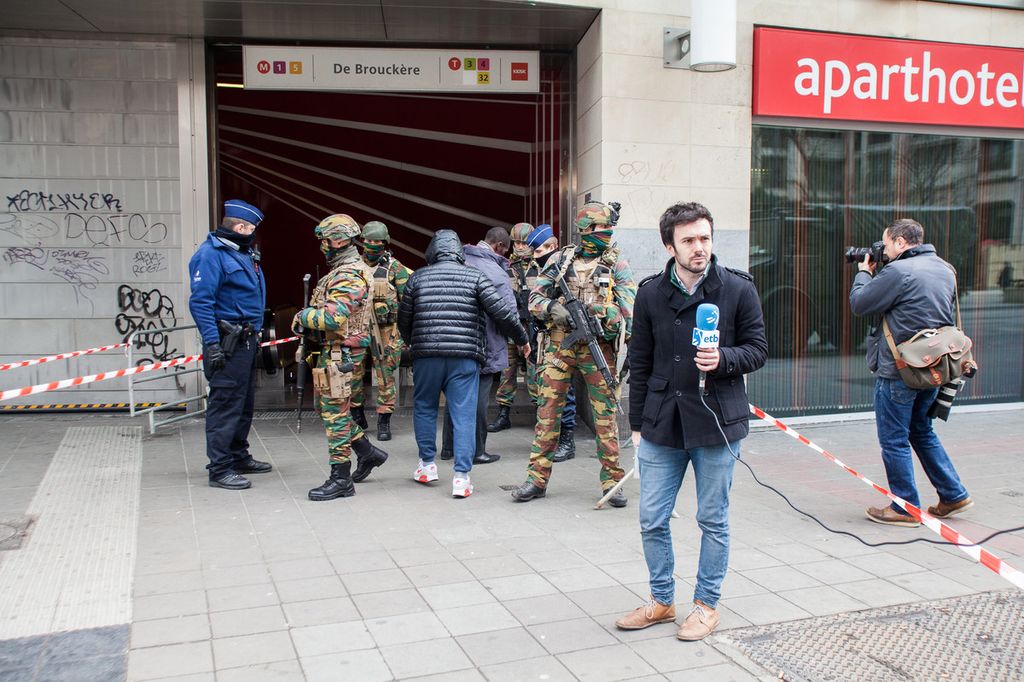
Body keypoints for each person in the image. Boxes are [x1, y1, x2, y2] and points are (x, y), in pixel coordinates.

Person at [615, 201, 767, 641]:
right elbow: (639, 362)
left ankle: (706, 605)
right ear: (670, 245)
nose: (699, 247)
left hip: (717, 421)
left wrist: (723, 359)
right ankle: (662, 601)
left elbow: (757, 349)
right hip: (663, 422)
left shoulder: (737, 289)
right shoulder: (648, 293)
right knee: (651, 518)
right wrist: (637, 425)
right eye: (688, 240)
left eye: (704, 238)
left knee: (712, 519)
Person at [849, 218, 973, 526]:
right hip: (933, 366)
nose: (884, 250)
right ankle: (953, 494)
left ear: (901, 242)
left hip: (900, 370)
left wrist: (864, 273)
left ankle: (904, 508)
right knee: (922, 431)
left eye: (886, 243)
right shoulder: (945, 269)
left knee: (894, 439)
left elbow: (860, 303)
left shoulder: (898, 271)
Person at [511, 202, 635, 506]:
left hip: (598, 349)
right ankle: (536, 480)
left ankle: (612, 482)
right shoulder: (560, 261)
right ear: (585, 230)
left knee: (605, 417)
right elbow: (534, 299)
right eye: (599, 229)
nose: (605, 234)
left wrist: (607, 313)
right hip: (559, 345)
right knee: (547, 413)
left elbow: (630, 312)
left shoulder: (616, 265)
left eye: (608, 229)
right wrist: (554, 308)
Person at [398, 229, 529, 498]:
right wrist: (522, 339)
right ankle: (461, 477)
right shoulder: (476, 277)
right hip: (465, 358)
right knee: (464, 413)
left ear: (432, 250)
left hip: (427, 357)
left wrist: (412, 340)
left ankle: (427, 466)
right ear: (458, 251)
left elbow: (404, 318)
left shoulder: (418, 278)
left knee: (424, 408)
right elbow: (503, 313)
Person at [292, 214, 390, 501]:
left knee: (335, 415)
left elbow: (334, 317)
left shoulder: (348, 274)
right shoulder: (344, 270)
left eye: (325, 240)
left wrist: (302, 317)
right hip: (335, 352)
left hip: (341, 353)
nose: (323, 245)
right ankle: (367, 452)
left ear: (337, 240)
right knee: (331, 411)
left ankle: (341, 478)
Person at [188, 199, 273, 491]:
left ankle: (238, 455)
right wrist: (212, 343)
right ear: (240, 227)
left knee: (243, 404)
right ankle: (220, 468)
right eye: (250, 228)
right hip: (226, 343)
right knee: (225, 405)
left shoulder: (241, 253)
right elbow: (201, 302)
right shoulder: (211, 255)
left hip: (246, 340)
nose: (252, 233)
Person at [441, 226, 517, 465]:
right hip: (484, 343)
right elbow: (507, 313)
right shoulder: (495, 271)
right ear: (500, 247)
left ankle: (447, 448)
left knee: (455, 394)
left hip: (453, 341)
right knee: (478, 401)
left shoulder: (458, 260)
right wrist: (521, 339)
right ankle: (477, 450)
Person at [348, 220, 413, 441]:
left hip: (386, 331)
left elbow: (408, 302)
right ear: (362, 241)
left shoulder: (396, 269)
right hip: (357, 329)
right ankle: (357, 415)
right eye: (368, 240)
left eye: (377, 241)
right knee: (354, 374)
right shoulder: (352, 266)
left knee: (386, 377)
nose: (372, 245)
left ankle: (384, 420)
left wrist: (404, 334)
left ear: (385, 243)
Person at [488, 222, 536, 432]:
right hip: (510, 328)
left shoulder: (542, 267)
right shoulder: (504, 267)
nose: (519, 246)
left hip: (534, 330)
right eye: (516, 242)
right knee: (507, 374)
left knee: (535, 376)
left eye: (524, 242)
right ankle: (503, 414)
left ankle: (541, 417)